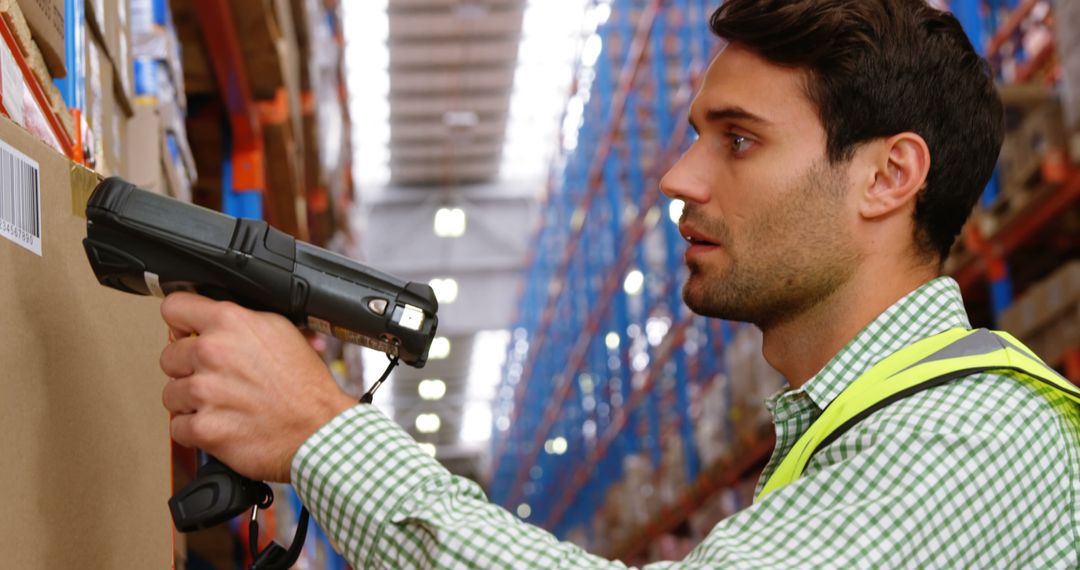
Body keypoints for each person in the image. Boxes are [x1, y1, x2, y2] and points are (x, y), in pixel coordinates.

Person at [157, 0, 1080, 567]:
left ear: (888, 176)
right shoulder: (856, 435)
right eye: (694, 133)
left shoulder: (973, 435)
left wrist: (322, 430)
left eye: (740, 139)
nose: (678, 177)